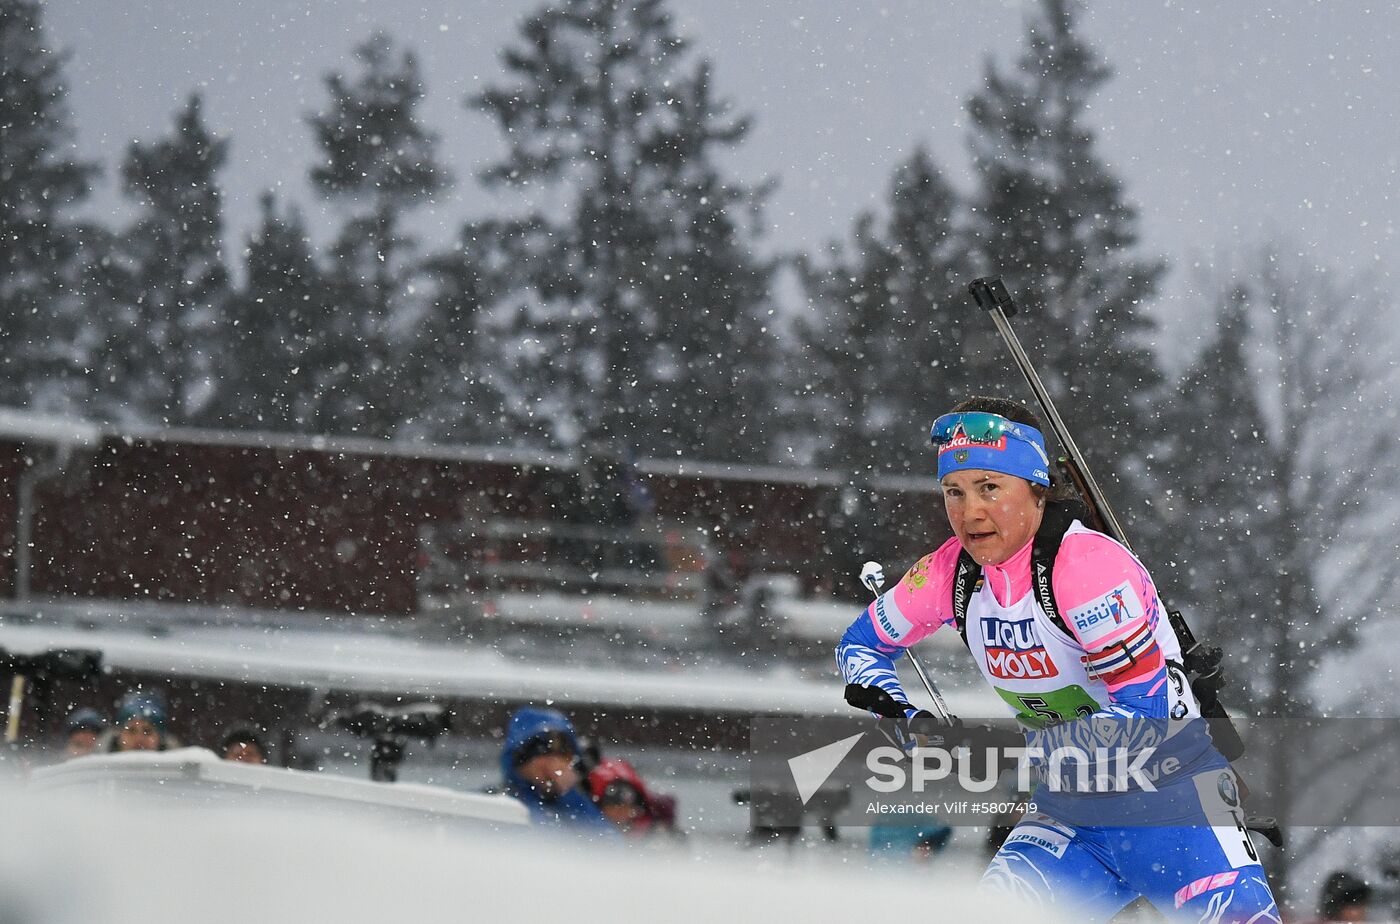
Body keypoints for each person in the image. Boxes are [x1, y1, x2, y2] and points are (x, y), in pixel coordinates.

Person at [835, 396, 1279, 922]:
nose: (969, 511)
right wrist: (902, 714)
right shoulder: (950, 573)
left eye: (989, 488)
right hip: (1072, 816)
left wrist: (989, 754)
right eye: (953, 491)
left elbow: (1143, 719)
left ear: (1036, 489)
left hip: (1174, 806)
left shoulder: (1087, 569)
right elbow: (859, 644)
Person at [500, 706, 614, 833]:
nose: (555, 762)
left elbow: (611, 846)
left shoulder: (575, 807)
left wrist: (569, 794)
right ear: (520, 757)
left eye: (564, 752)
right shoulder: (496, 804)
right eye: (543, 750)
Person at [587, 757, 681, 838]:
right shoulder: (589, 825)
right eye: (614, 808)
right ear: (602, 808)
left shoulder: (651, 828)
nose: (620, 813)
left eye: (625, 808)